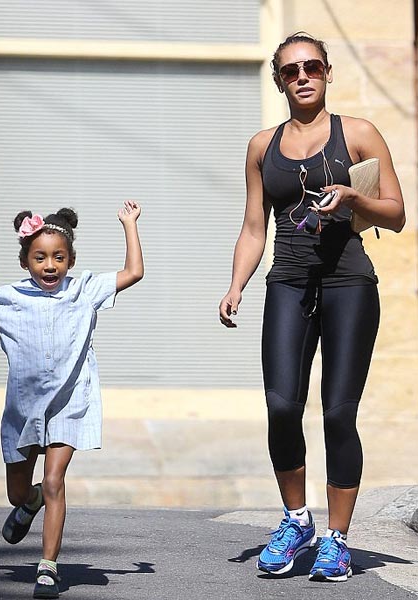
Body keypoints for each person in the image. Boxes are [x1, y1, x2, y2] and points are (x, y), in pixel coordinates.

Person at [219, 32, 405, 583]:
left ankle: (338, 539)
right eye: (291, 70)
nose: (303, 76)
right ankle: (297, 520)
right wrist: (236, 285)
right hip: (289, 282)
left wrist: (354, 197)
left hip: (350, 284)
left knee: (338, 413)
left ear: (327, 72)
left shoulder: (359, 133)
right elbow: (254, 226)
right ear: (279, 81)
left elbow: (396, 214)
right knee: (281, 406)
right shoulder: (262, 146)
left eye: (312, 67)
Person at [0, 202, 143, 599]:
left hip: (69, 404)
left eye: (58, 257)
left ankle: (48, 567)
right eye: (40, 257)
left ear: (71, 260)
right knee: (18, 494)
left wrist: (129, 224)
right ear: (25, 261)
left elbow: (133, 272)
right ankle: (30, 501)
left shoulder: (83, 290)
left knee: (55, 480)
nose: (50, 265)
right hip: (23, 409)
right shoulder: (9, 298)